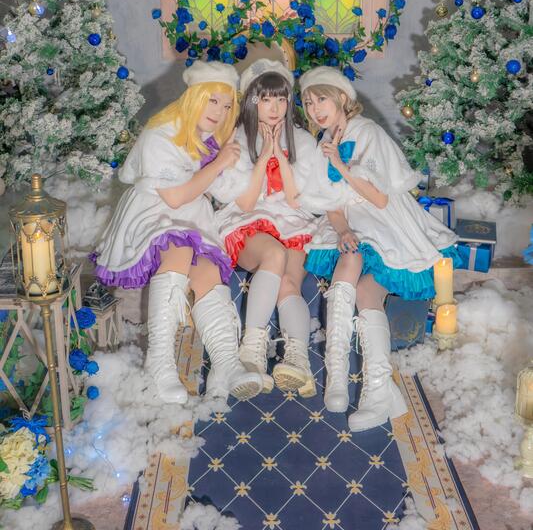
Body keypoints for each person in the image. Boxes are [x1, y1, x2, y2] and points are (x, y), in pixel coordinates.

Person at [299, 66, 460, 432]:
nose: (315, 109)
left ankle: (374, 391)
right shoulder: (324, 138)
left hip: (385, 222)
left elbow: (381, 199)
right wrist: (341, 230)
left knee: (364, 284)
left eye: (321, 99)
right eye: (308, 103)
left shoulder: (368, 132)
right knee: (355, 272)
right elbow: (330, 202)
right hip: (351, 222)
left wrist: (340, 165)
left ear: (342, 98)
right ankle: (346, 378)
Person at [92, 61, 263, 405]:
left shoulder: (214, 139)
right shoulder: (160, 132)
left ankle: (226, 362)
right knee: (180, 249)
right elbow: (174, 197)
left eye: (227, 105)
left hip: (191, 216)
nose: (219, 111)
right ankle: (159, 362)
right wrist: (219, 163)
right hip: (152, 213)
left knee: (208, 270)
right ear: (195, 97)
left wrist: (250, 159)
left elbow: (238, 197)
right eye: (212, 100)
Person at [210, 59, 318, 397]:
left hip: (291, 220)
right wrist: (263, 158)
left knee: (289, 282)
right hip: (248, 220)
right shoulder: (237, 138)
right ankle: (252, 350)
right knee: (273, 254)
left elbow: (298, 200)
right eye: (266, 99)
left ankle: (298, 360)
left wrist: (281, 158)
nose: (274, 108)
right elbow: (244, 202)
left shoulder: (302, 141)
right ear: (252, 101)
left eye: (281, 99)